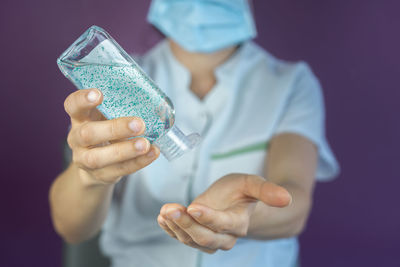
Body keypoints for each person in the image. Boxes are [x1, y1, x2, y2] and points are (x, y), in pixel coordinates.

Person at [49, 0, 339, 266]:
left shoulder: (290, 84)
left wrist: (244, 216)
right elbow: (71, 227)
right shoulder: (118, 86)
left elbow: (294, 205)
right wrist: (90, 177)